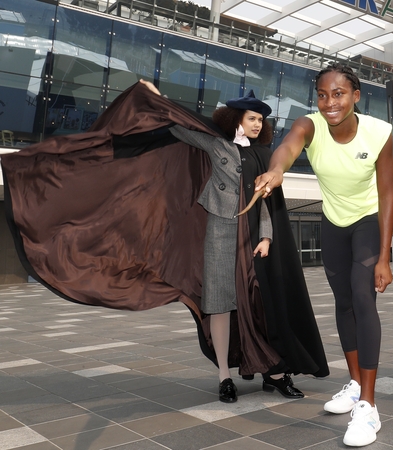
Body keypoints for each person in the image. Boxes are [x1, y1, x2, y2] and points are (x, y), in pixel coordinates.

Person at [2, 80, 328, 405]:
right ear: (236, 119)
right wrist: (156, 98)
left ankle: (273, 372)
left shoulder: (263, 154)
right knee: (219, 306)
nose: (258, 124)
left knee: (260, 305)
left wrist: (267, 235)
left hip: (252, 239)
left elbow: (265, 199)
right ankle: (224, 377)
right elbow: (178, 126)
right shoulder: (215, 144)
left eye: (261, 120)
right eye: (252, 118)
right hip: (218, 234)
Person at [254, 63, 393, 447]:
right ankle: (355, 383)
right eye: (322, 94)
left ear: (355, 96)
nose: (330, 102)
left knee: (363, 298)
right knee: (343, 303)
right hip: (333, 224)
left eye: (338, 94)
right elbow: (288, 146)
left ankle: (368, 406)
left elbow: (387, 196)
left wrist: (384, 257)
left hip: (367, 221)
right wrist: (276, 170)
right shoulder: (310, 125)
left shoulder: (379, 133)